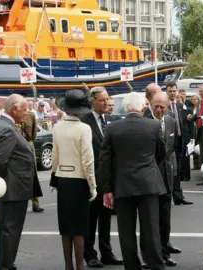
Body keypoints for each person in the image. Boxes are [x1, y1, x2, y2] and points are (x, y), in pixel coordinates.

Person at [98, 92, 167, 270]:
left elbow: (105, 160)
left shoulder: (113, 128)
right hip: (148, 183)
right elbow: (161, 152)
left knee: (126, 232)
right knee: (151, 231)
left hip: (123, 185)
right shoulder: (153, 126)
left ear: (125, 108)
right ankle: (156, 265)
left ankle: (132, 266)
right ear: (143, 108)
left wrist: (106, 189)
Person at [0, 94, 35, 270]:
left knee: (3, 231)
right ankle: (5, 265)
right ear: (14, 109)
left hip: (8, 188)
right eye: (24, 110)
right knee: (10, 232)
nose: (26, 114)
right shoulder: (6, 128)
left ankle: (0, 264)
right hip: (12, 189)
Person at [52, 89, 98, 270]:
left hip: (63, 179)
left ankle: (68, 265)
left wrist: (55, 178)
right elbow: (88, 161)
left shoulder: (57, 127)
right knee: (79, 228)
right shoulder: (84, 128)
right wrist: (93, 186)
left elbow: (55, 158)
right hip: (79, 181)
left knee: (65, 227)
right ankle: (80, 265)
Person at [80, 87, 123, 268]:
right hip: (91, 179)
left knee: (106, 218)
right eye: (102, 100)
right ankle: (89, 254)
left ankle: (107, 252)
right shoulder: (84, 122)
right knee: (90, 218)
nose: (106, 103)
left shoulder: (111, 121)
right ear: (93, 101)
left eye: (107, 99)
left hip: (109, 179)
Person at [141, 92, 177, 269]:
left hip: (166, 177)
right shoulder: (143, 121)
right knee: (148, 219)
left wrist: (172, 172)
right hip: (147, 176)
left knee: (164, 219)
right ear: (150, 104)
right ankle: (148, 257)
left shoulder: (171, 121)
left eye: (163, 106)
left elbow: (173, 149)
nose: (159, 109)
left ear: (168, 106)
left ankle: (165, 253)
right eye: (156, 106)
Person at [17, 104, 44, 213]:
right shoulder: (14, 117)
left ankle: (35, 203)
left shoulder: (31, 115)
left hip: (28, 144)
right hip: (17, 145)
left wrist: (29, 142)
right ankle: (19, 203)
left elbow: (33, 133)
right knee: (19, 174)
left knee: (33, 174)